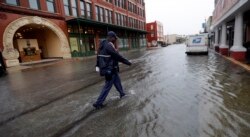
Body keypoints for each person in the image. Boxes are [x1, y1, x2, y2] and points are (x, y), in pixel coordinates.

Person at [93, 31, 132, 109]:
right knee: (107, 87)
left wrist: (98, 67)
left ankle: (122, 94)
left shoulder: (103, 44)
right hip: (109, 70)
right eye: (114, 38)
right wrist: (128, 62)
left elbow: (99, 57)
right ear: (111, 38)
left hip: (111, 69)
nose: (115, 40)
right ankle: (98, 103)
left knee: (117, 82)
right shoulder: (108, 46)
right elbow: (117, 57)